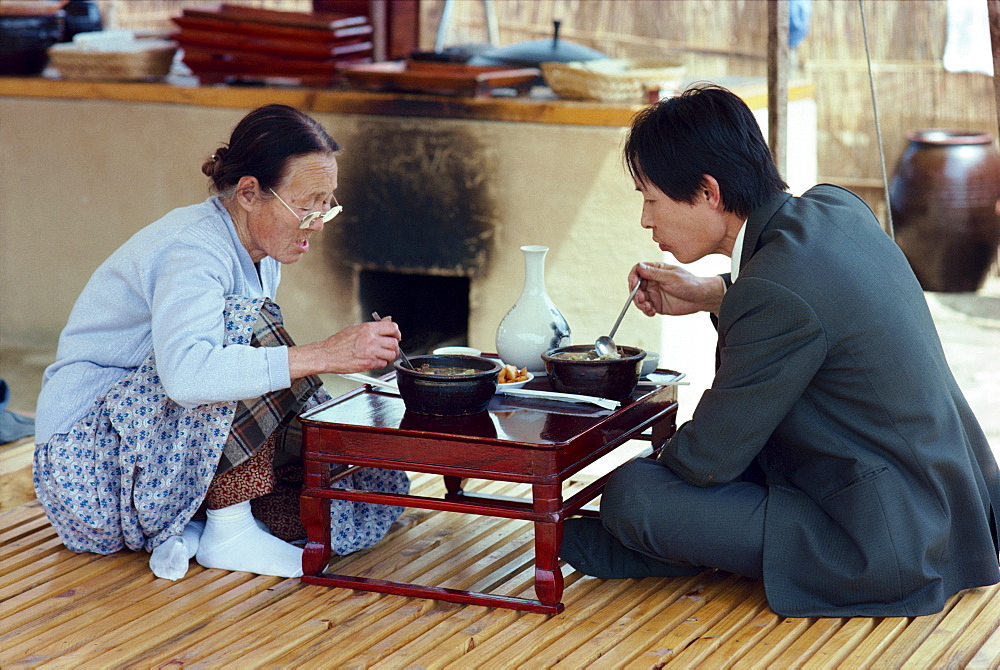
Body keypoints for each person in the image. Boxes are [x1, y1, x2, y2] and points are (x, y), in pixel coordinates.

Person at [559, 84, 1000, 618]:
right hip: (952, 505)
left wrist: (655, 484)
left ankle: (650, 545)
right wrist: (710, 294)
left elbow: (706, 460)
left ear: (707, 191)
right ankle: (664, 543)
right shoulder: (832, 208)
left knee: (635, 494)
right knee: (676, 487)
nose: (646, 221)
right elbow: (808, 305)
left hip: (885, 539)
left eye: (651, 199)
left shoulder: (775, 289)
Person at [33, 104, 410, 582]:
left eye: (326, 205)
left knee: (352, 492)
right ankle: (229, 529)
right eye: (306, 205)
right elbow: (189, 377)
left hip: (150, 450)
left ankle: (194, 529)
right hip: (90, 465)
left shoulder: (261, 248)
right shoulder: (194, 250)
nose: (316, 222)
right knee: (243, 328)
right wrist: (324, 354)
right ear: (250, 193)